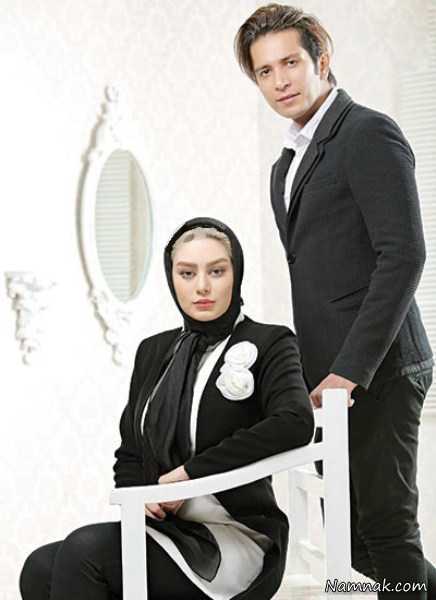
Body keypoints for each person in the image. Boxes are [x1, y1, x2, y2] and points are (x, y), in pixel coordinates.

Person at [234, 4, 435, 598]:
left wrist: (351, 369)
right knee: (351, 544)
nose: (280, 81)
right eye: (264, 71)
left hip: (379, 367)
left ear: (321, 59)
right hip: (327, 378)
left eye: (290, 62)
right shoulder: (285, 166)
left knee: (386, 533)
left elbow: (404, 254)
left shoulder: (367, 133)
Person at [19, 217, 314, 600]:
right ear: (172, 278)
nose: (202, 286)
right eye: (187, 273)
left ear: (236, 273)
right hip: (164, 529)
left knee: (83, 553)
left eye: (216, 271)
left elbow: (294, 422)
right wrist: (137, 499)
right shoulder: (154, 350)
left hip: (234, 536)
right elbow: (131, 449)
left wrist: (188, 475)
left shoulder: (270, 342)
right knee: (39, 567)